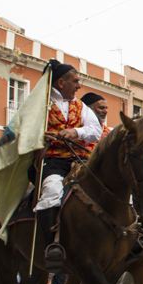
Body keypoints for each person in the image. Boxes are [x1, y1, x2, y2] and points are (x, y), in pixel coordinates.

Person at [33, 60, 102, 268]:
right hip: (53, 162)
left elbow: (95, 131)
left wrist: (75, 132)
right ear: (61, 82)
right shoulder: (40, 105)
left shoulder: (80, 106)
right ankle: (51, 247)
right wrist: (39, 136)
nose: (79, 86)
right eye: (76, 81)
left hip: (81, 160)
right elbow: (23, 131)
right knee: (52, 192)